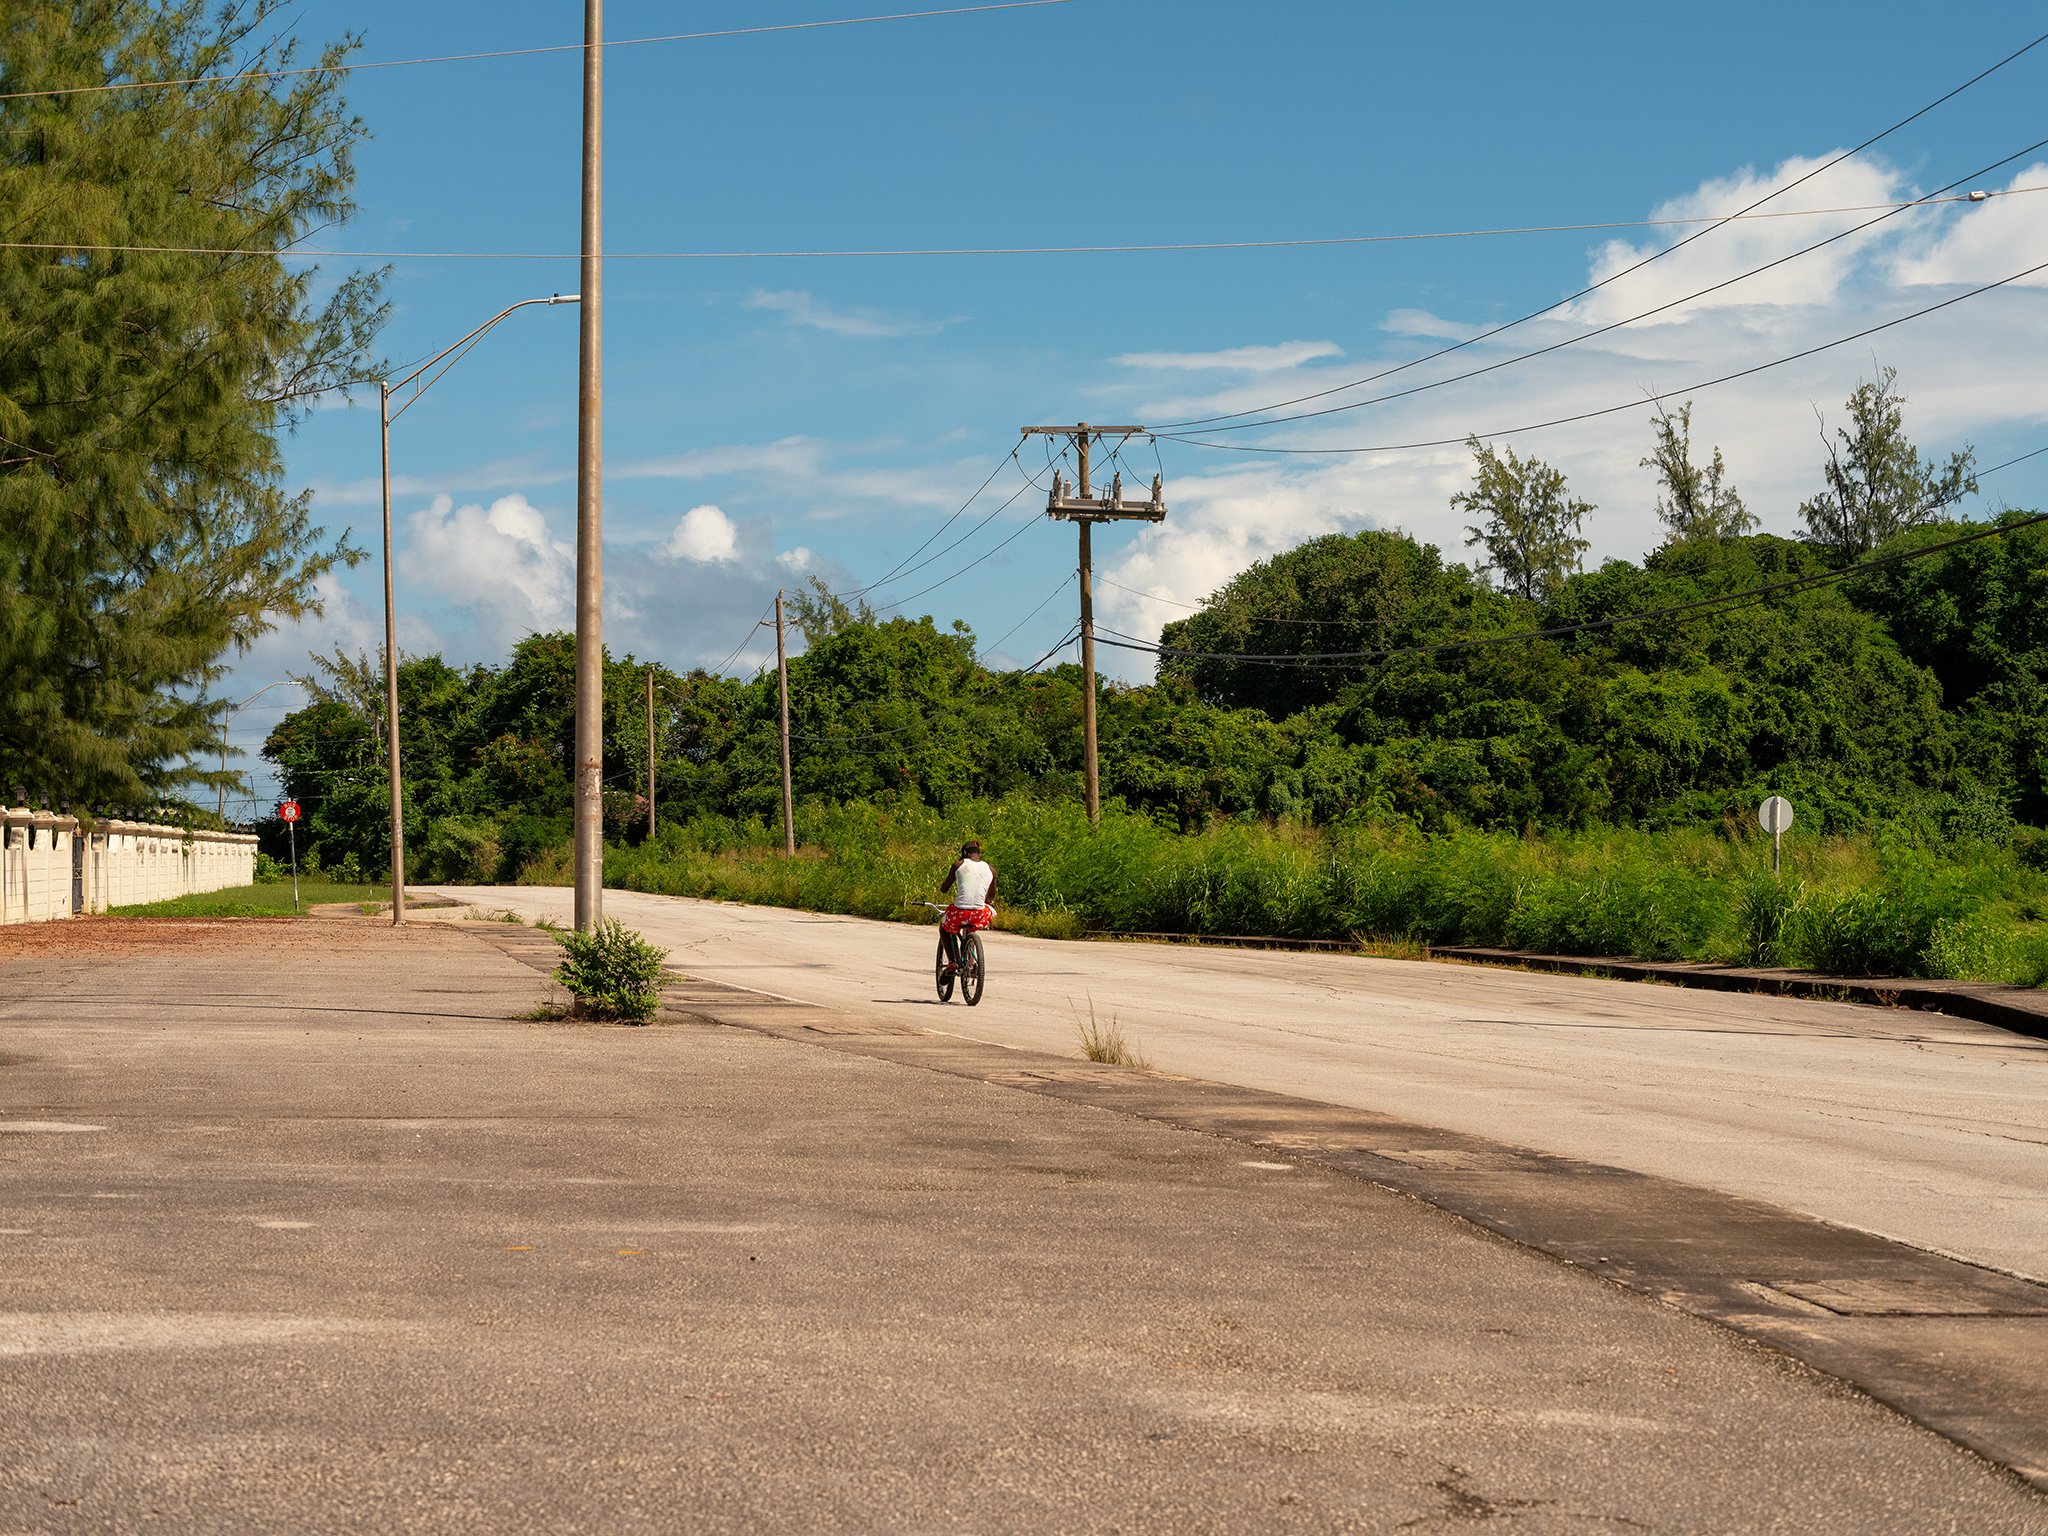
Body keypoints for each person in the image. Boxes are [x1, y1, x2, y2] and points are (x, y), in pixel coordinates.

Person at [937, 839, 996, 973]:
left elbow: (944, 889)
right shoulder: (991, 870)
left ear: (964, 852)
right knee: (972, 925)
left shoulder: (958, 865)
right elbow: (991, 896)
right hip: (979, 914)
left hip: (960, 913)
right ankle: (971, 960)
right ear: (979, 854)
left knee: (944, 928)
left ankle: (953, 962)